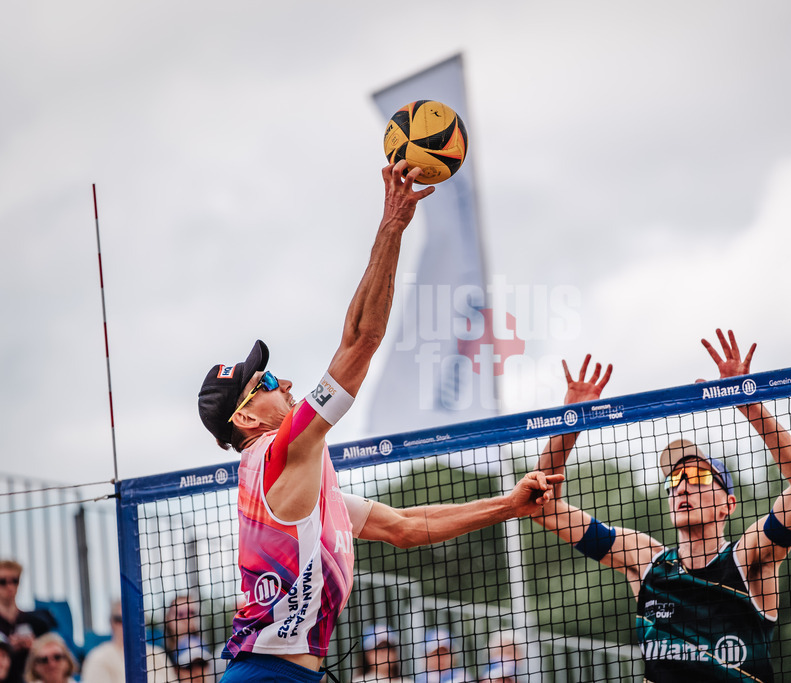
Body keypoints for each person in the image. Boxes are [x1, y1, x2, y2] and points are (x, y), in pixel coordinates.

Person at [197, 161, 562, 683]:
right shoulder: (280, 452)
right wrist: (391, 227)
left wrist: (508, 505)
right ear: (247, 415)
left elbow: (407, 528)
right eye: (268, 380)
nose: (286, 383)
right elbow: (360, 341)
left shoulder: (297, 479)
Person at [529, 330, 791, 683]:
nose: (682, 485)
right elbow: (542, 505)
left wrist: (750, 405)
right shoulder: (646, 562)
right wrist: (570, 421)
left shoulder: (747, 559)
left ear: (727, 505)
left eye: (698, 477)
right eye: (674, 479)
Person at [0, 562, 53, 683]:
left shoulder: (38, 623)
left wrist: (36, 648)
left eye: (14, 580)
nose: (9, 586)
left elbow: (52, 656)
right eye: (2, 581)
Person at [80, 600, 171, 683]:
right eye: (120, 620)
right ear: (112, 623)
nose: (127, 625)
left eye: (135, 619)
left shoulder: (158, 654)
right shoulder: (97, 658)